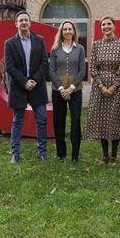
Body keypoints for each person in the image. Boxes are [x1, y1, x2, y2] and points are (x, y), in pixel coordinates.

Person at [84, 16, 120, 165]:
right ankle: (105, 156)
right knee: (102, 119)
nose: (106, 26)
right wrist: (101, 86)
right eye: (103, 24)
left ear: (114, 26)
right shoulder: (96, 45)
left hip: (117, 87)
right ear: (101, 28)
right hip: (99, 87)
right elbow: (92, 67)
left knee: (115, 118)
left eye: (109, 24)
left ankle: (114, 156)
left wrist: (113, 86)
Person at [4, 11, 49, 163]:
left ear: (30, 23)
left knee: (42, 119)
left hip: (37, 86)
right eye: (20, 20)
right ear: (16, 24)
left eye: (26, 20)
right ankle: (15, 154)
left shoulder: (40, 40)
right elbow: (10, 67)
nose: (23, 22)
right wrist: (24, 81)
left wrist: (34, 80)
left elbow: (44, 63)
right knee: (17, 120)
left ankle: (42, 153)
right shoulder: (9, 43)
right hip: (19, 87)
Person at [48, 21, 86, 163]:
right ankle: (61, 154)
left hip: (75, 90)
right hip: (58, 91)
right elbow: (51, 71)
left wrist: (71, 88)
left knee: (75, 121)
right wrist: (61, 88)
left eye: (70, 29)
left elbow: (82, 70)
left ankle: (75, 155)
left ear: (74, 31)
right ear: (61, 32)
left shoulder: (80, 49)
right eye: (65, 29)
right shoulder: (55, 49)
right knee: (59, 122)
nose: (68, 31)